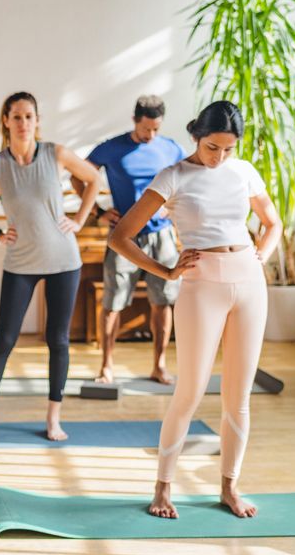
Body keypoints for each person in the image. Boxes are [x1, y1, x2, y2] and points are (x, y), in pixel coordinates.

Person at [108, 100, 281, 520]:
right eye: (211, 147)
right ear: (195, 137)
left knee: (238, 396)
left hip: (249, 283)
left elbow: (272, 222)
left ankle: (229, 486)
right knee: (189, 392)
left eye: (228, 148)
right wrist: (166, 272)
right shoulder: (174, 176)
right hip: (201, 286)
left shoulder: (243, 172)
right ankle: (163, 489)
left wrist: (260, 256)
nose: (220, 157)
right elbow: (121, 237)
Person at [0, 92, 99, 442]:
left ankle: (53, 419)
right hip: (21, 262)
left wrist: (80, 220)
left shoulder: (56, 154)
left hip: (64, 261)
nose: (23, 123)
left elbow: (94, 180)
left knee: (58, 340)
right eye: (17, 117)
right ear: (6, 122)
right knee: (5, 340)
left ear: (37, 120)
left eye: (29, 116)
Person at [73, 95, 185, 384]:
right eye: (147, 129)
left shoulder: (171, 149)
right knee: (113, 303)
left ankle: (159, 366)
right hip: (125, 238)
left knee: (163, 302)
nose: (151, 135)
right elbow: (78, 175)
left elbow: (187, 182)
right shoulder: (112, 148)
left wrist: (172, 206)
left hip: (162, 235)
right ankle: (106, 366)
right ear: (135, 121)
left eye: (157, 129)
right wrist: (98, 211)